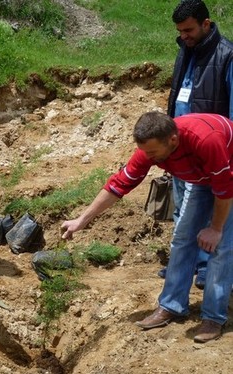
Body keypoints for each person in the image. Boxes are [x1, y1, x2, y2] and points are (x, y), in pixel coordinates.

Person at [61, 111, 233, 343]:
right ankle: (171, 305)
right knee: (183, 238)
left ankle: (213, 317)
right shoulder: (151, 150)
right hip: (200, 176)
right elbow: (119, 185)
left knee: (221, 247)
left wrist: (215, 228)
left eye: (152, 152)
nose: (148, 157)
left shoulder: (206, 140)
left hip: (228, 172)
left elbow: (224, 190)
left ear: (173, 140)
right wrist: (81, 220)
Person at [159, 0, 233, 288]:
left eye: (188, 30)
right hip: (179, 147)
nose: (184, 36)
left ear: (206, 23)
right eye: (180, 31)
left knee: (207, 212)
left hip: (209, 150)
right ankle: (185, 262)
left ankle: (205, 267)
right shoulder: (185, 49)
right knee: (182, 209)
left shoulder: (227, 55)